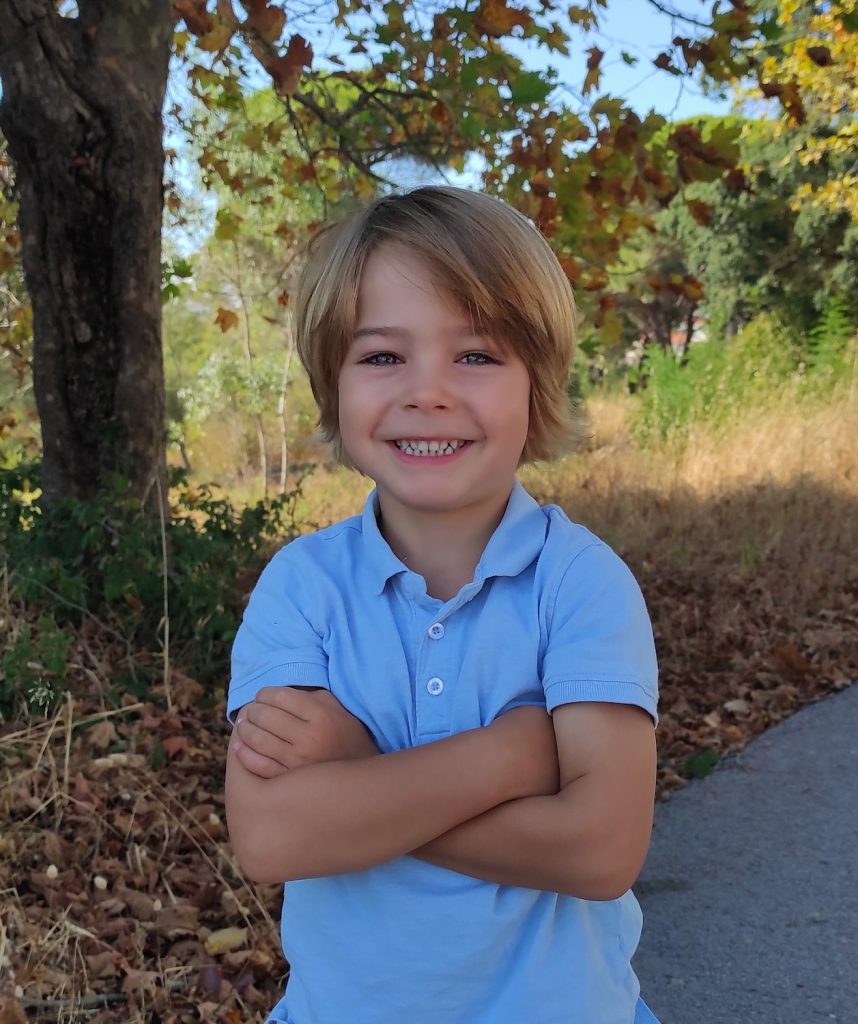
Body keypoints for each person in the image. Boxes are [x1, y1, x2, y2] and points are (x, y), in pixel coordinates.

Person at [225, 186, 661, 1024]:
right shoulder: (302, 586)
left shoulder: (580, 583)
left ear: (538, 384)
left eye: (477, 356)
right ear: (333, 383)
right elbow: (273, 837)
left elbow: (601, 850)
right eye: (383, 356)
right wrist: (512, 757)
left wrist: (357, 776)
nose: (427, 392)